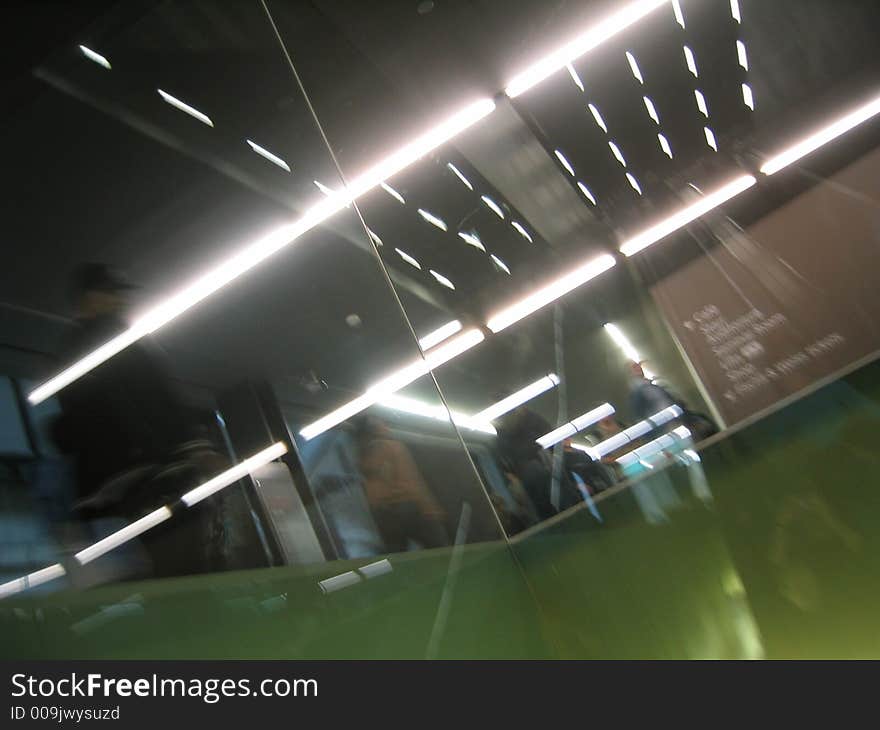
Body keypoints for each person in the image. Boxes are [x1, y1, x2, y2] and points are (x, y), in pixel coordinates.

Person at [51, 263, 224, 578]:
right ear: (89, 297)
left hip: (129, 479)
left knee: (172, 561)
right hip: (145, 474)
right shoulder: (109, 341)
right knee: (183, 559)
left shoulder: (81, 345)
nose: (120, 301)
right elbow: (154, 398)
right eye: (111, 293)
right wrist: (190, 448)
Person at [354, 415, 449, 553]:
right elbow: (410, 485)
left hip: (400, 508)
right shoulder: (388, 447)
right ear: (374, 429)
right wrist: (431, 509)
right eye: (383, 425)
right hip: (407, 507)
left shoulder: (378, 450)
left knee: (398, 556)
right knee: (442, 554)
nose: (387, 428)